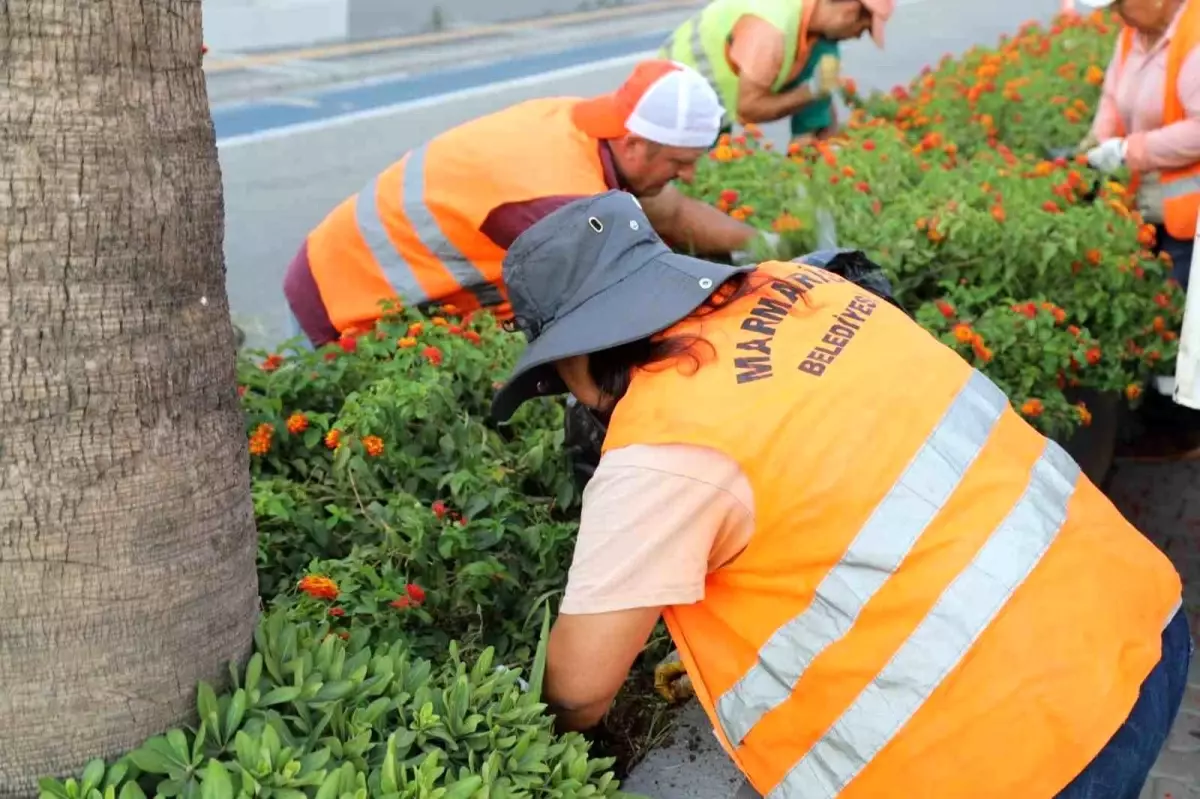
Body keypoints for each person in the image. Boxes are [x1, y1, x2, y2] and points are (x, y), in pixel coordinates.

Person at [491, 191, 1192, 798]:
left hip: (1019, 755)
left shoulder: (661, 443)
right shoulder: (809, 289)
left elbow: (581, 688)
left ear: (572, 350)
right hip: (1136, 628)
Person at [282, 59, 769, 348]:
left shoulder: (583, 127)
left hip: (354, 277)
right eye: (681, 162)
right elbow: (621, 305)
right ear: (635, 143)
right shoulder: (562, 199)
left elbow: (673, 211)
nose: (688, 175)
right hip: (343, 305)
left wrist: (768, 245)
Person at [1079, 0, 1199, 291]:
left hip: (1191, 226)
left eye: (1121, 4)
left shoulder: (1194, 36)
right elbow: (1112, 97)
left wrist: (1128, 151)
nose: (1116, 13)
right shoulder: (1133, 34)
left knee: (1181, 319)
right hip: (1146, 212)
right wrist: (1097, 141)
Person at [660, 0, 894, 140]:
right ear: (851, 9)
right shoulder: (772, 29)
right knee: (677, 195)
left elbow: (821, 112)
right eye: (862, 29)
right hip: (674, 101)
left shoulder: (815, 34)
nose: (856, 37)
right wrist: (810, 92)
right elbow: (748, 110)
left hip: (711, 107)